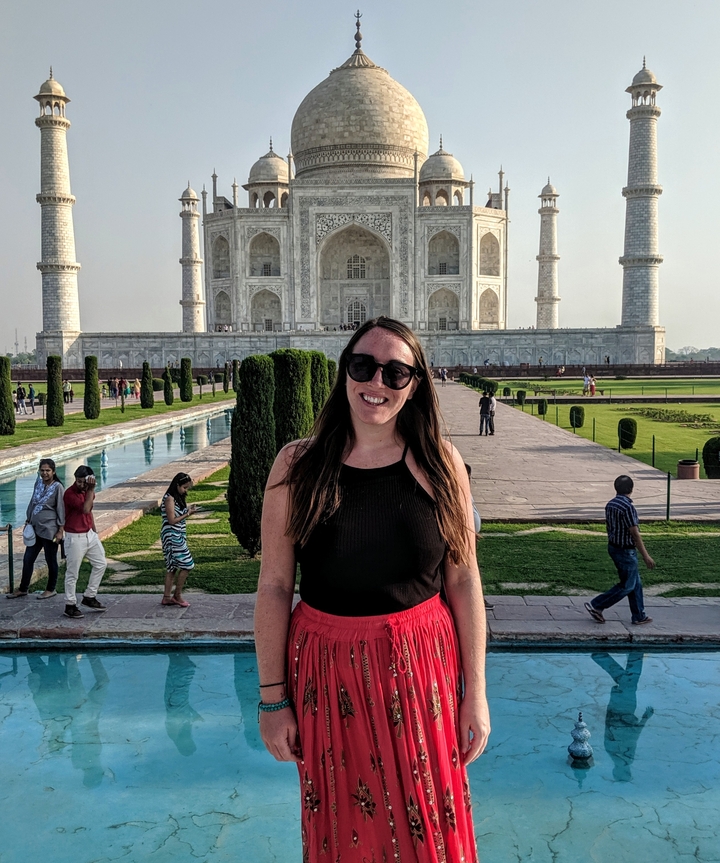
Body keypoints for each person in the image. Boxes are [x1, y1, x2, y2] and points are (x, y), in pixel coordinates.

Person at [255, 316, 489, 863]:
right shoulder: (297, 465)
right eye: (363, 366)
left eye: (396, 372)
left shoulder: (441, 463)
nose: (376, 383)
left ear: (416, 383)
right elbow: (273, 587)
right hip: (327, 667)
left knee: (429, 819)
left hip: (421, 665)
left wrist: (474, 691)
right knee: (344, 826)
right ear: (344, 372)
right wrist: (272, 699)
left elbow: (464, 578)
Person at [585, 475, 655, 626]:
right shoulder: (628, 507)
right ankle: (597, 605)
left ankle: (639, 615)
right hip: (626, 551)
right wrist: (646, 556)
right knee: (628, 585)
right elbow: (635, 534)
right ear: (631, 489)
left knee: (635, 582)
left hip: (613, 547)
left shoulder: (611, 504)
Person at [6, 458, 64, 600]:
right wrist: (28, 519)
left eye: (47, 470)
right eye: (42, 470)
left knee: (50, 560)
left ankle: (51, 589)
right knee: (28, 559)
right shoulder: (38, 483)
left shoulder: (57, 487)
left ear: (53, 471)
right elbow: (33, 501)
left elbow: (61, 509)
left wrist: (60, 530)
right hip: (35, 528)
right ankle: (23, 588)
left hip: (49, 530)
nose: (44, 473)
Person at [63, 465, 108, 619]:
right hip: (74, 536)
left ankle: (89, 596)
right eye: (78, 481)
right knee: (72, 572)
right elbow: (86, 509)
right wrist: (90, 489)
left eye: (83, 482)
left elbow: (90, 512)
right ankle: (70, 604)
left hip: (89, 534)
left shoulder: (88, 490)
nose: (80, 484)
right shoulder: (70, 494)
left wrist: (94, 530)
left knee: (101, 563)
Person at [160, 472, 196, 607]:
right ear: (177, 485)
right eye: (184, 487)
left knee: (172, 567)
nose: (185, 490)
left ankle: (166, 597)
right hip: (172, 537)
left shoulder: (176, 498)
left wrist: (187, 510)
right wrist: (187, 514)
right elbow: (171, 520)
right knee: (187, 565)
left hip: (178, 535)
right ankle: (177, 595)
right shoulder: (169, 499)